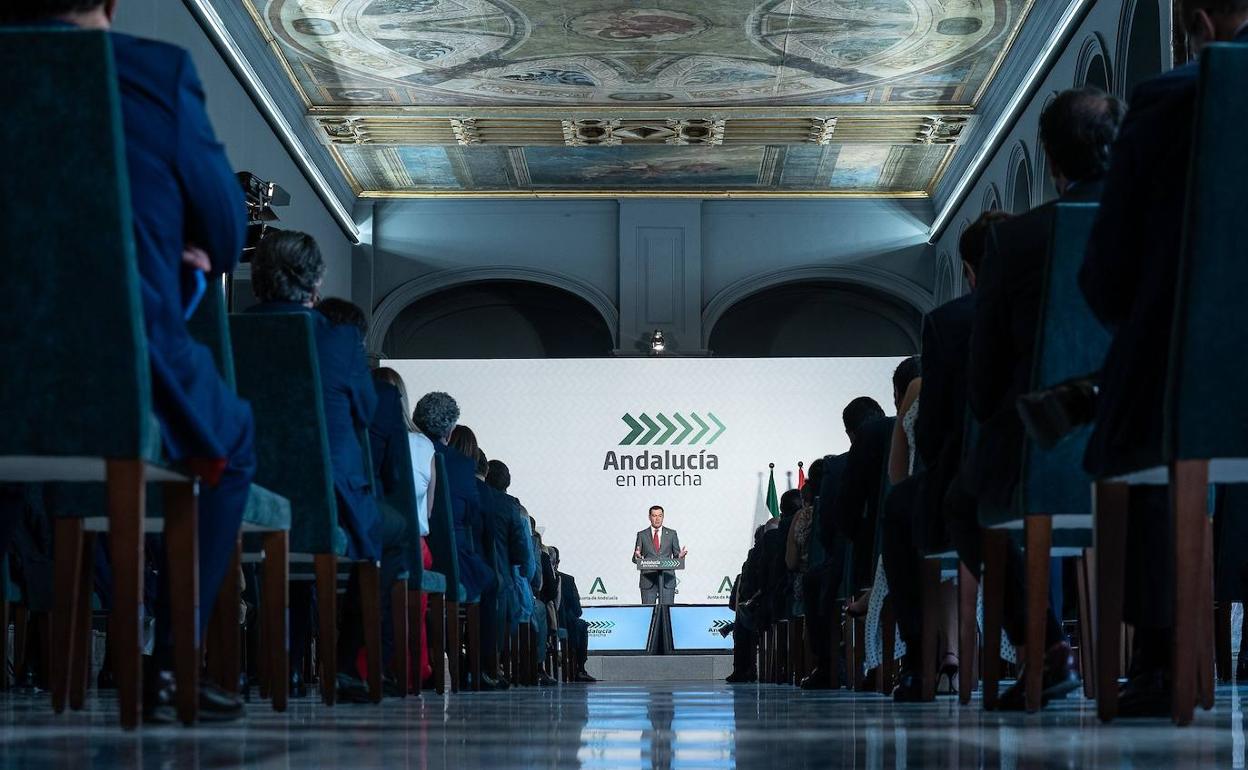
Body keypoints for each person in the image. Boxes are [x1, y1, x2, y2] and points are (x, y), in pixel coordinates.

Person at [2, 0, 256, 722]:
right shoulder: (152, 72)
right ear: (109, 4)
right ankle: (173, 667)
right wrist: (183, 245)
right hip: (116, 360)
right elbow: (227, 232)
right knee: (232, 443)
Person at [1079, 0, 1248, 716]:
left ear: (1200, 23)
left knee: (1147, 401)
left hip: (1201, 383)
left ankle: (1158, 658)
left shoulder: (1174, 96)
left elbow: (1107, 275)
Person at [248, 233, 393, 702]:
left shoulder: (232, 331)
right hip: (327, 494)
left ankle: (285, 666)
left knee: (287, 549)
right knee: (382, 537)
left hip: (249, 494)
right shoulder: (338, 338)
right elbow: (366, 412)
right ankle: (347, 665)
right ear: (315, 281)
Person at [885, 211, 1008, 701]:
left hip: (972, 479)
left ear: (969, 272)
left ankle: (919, 656)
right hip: (1053, 475)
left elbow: (933, 431)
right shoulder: (1050, 307)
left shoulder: (950, 322)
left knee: (902, 510)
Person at [551, 547, 595, 683]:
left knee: (578, 624)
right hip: (563, 623)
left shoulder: (533, 577)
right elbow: (578, 611)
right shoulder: (567, 580)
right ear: (557, 562)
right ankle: (579, 668)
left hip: (548, 620)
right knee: (579, 625)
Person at [632, 505, 687, 604]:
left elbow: (676, 556)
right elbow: (635, 558)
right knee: (649, 611)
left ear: (663, 516)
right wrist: (638, 557)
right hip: (648, 580)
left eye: (660, 516)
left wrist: (680, 556)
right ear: (649, 517)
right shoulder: (642, 535)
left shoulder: (672, 534)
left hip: (667, 580)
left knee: (666, 611)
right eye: (654, 516)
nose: (657, 519)